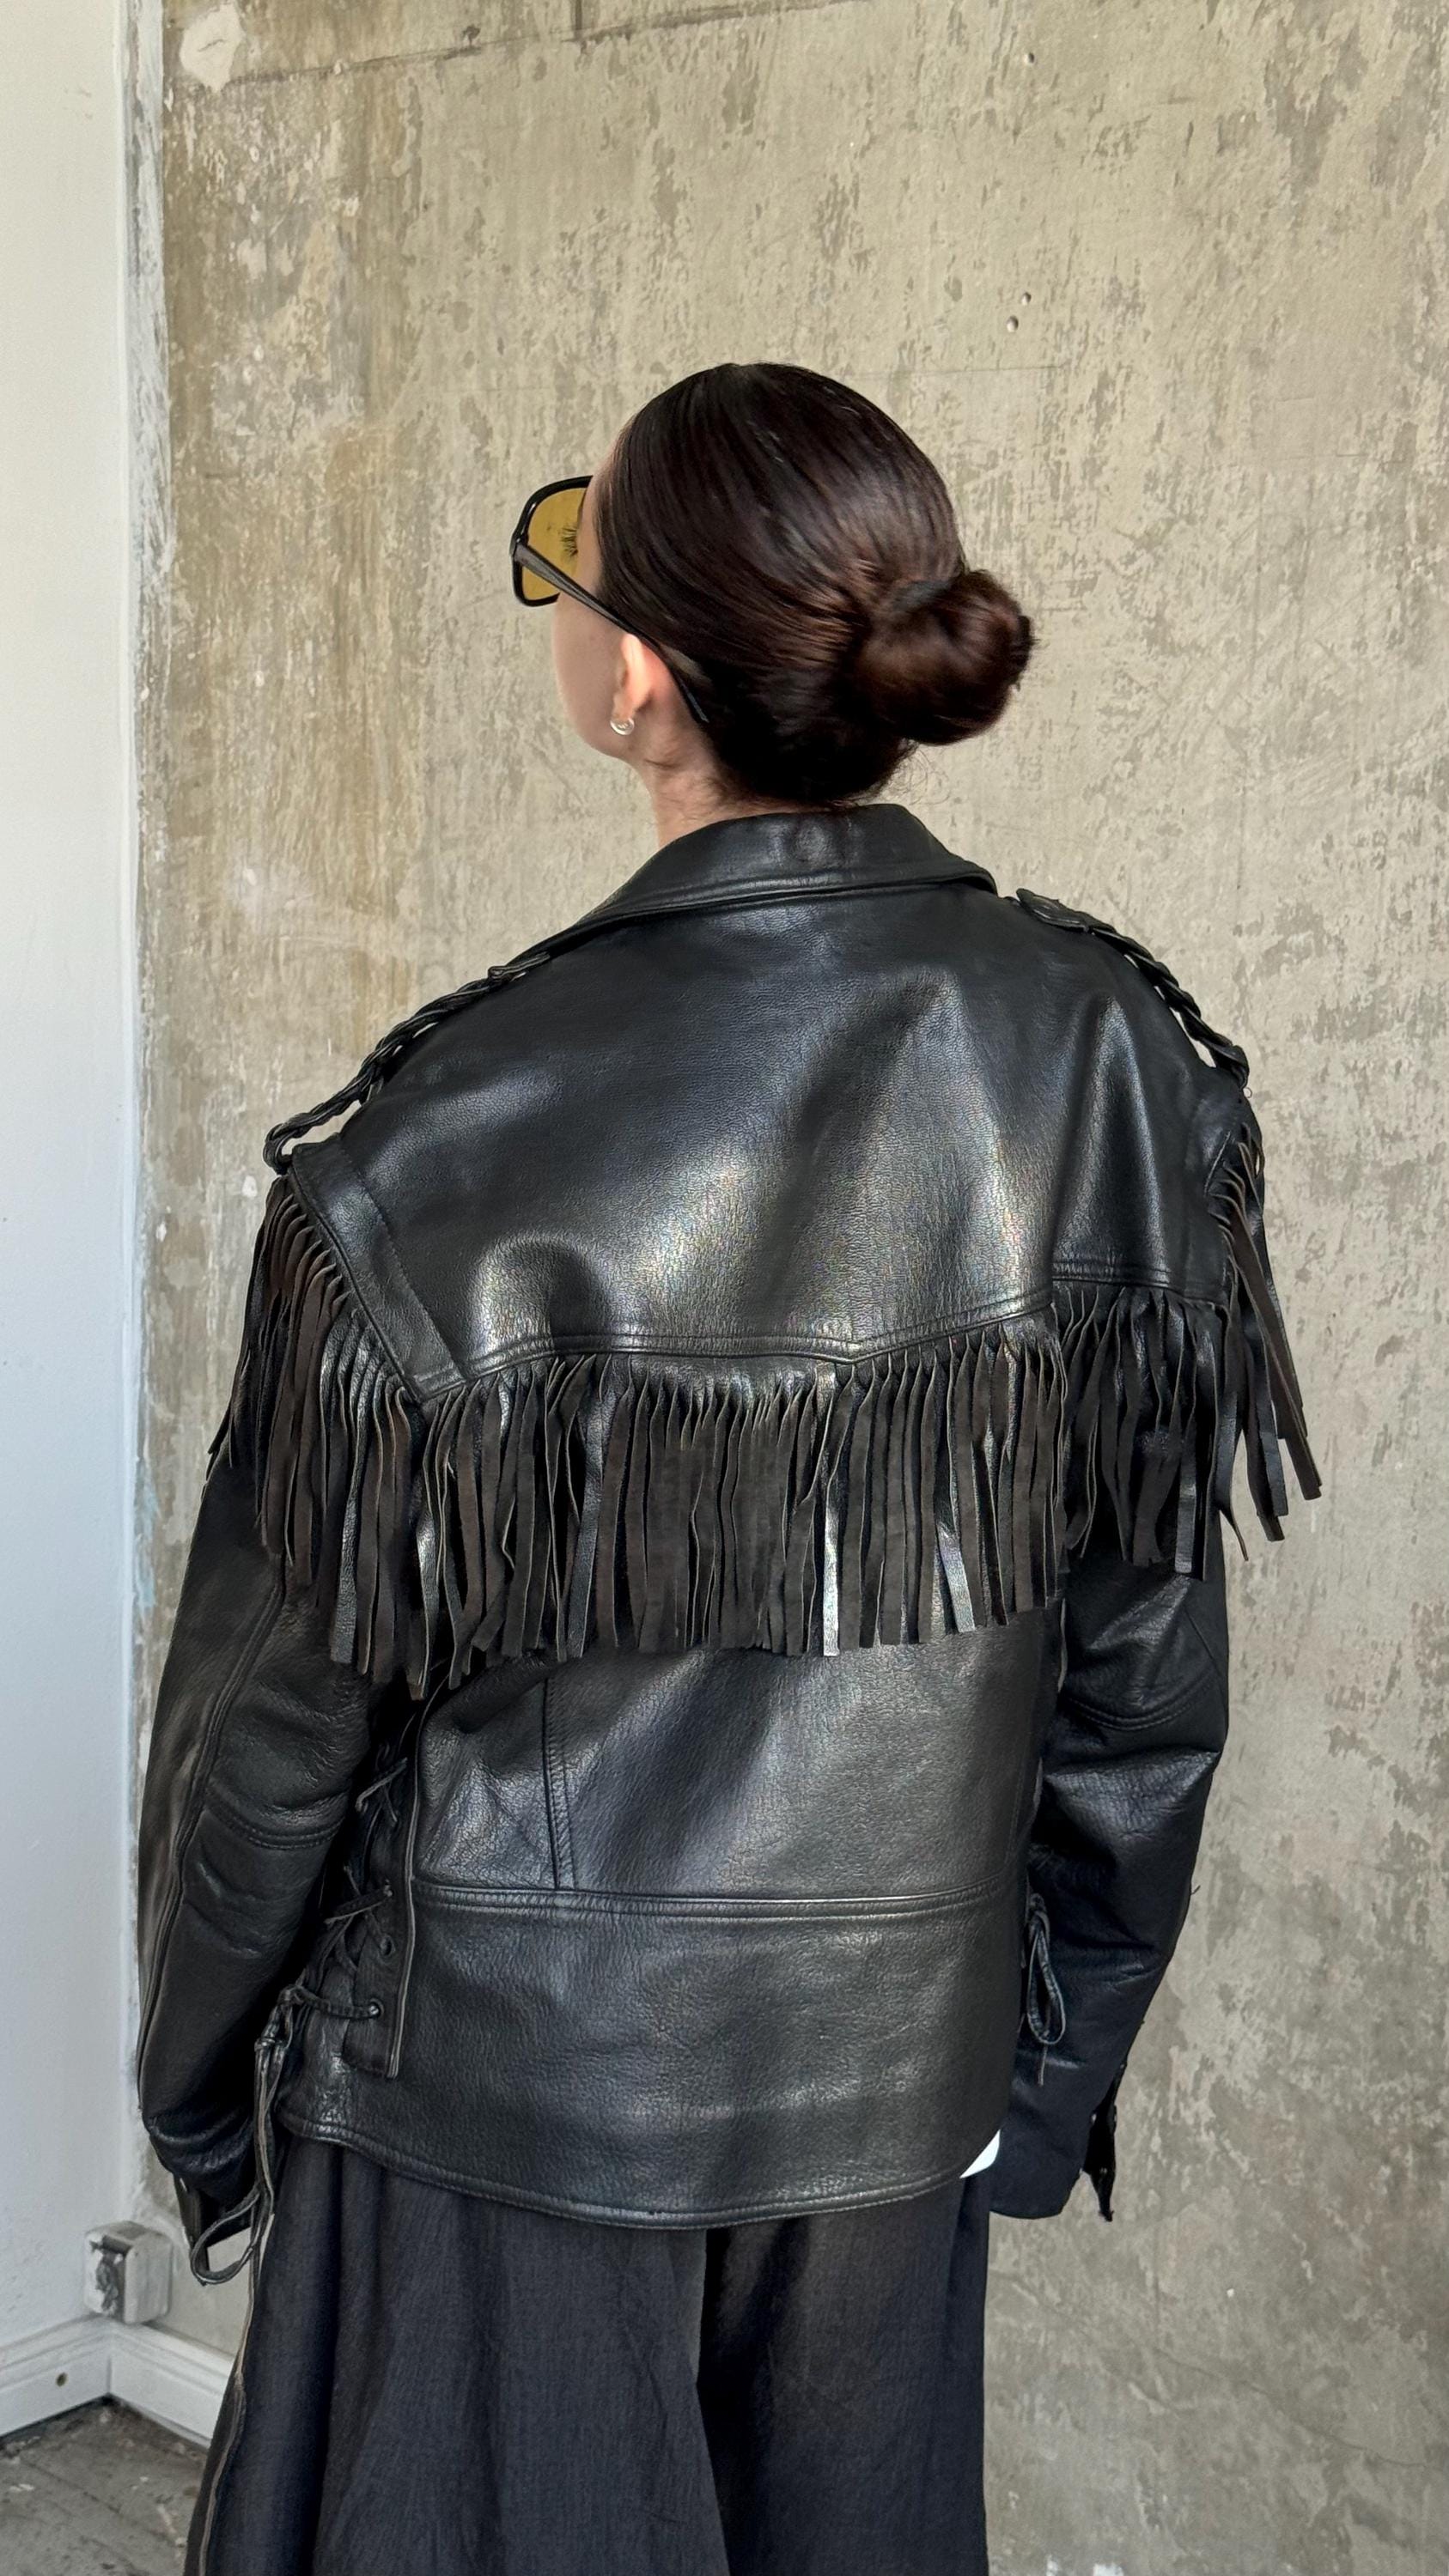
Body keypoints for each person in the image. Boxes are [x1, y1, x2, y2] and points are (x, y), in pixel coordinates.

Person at [136, 361, 1320, 2576]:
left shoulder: (435, 1140)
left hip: (498, 2115)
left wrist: (202, 2087)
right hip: (896, 2098)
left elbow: (269, 1740)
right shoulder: (1109, 1062)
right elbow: (1145, 1664)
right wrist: (1032, 2070)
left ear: (638, 683)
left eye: (569, 575)